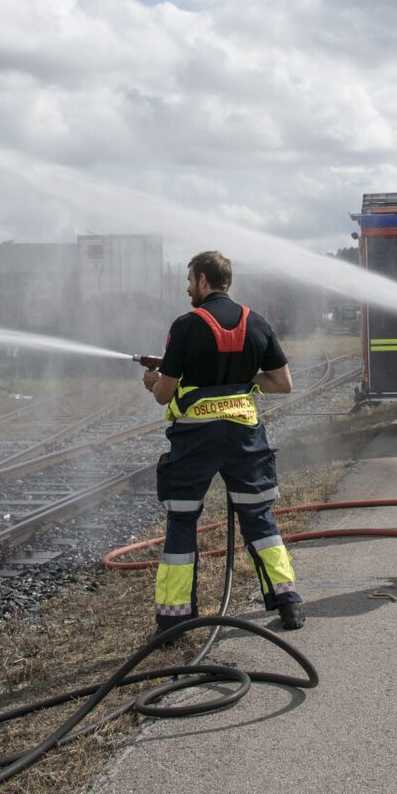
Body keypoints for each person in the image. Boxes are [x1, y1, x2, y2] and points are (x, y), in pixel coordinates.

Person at [141, 251, 304, 636]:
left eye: (189, 280)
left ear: (202, 280)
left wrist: (153, 380)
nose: (187, 287)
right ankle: (289, 604)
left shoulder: (185, 325)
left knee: (182, 523)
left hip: (195, 441)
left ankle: (173, 624)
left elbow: (164, 395)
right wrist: (244, 384)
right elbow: (282, 383)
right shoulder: (257, 322)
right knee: (259, 518)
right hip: (245, 439)